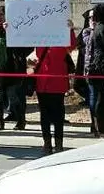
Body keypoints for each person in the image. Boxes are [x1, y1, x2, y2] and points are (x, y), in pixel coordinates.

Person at [28, 22, 76, 155]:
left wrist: (70, 29)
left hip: (57, 82)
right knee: (44, 115)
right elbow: (21, 40)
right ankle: (47, 143)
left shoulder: (61, 34)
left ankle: (59, 144)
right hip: (42, 82)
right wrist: (8, 29)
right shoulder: (39, 35)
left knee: (58, 116)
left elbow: (72, 45)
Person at [84, 3, 104, 138]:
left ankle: (101, 127)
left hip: (96, 67)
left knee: (101, 98)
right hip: (100, 68)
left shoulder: (99, 27)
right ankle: (102, 128)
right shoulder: (103, 28)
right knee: (101, 99)